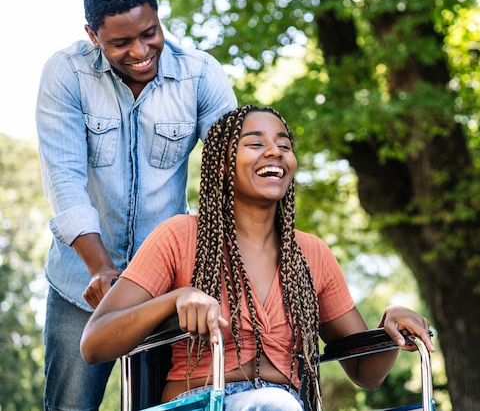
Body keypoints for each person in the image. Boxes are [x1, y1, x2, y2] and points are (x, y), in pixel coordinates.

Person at [80, 105, 435, 411]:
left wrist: (392, 328)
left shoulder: (311, 254)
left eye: (284, 145)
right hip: (201, 401)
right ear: (222, 164)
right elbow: (95, 343)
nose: (275, 152)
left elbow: (366, 374)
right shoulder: (179, 236)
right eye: (255, 144)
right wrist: (175, 300)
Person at [35, 0, 237, 409]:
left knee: (174, 404)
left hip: (169, 291)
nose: (141, 52)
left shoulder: (201, 75)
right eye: (121, 43)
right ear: (93, 35)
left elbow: (232, 176)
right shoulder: (66, 74)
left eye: (149, 34)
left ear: (159, 17)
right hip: (82, 287)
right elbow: (65, 180)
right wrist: (102, 268)